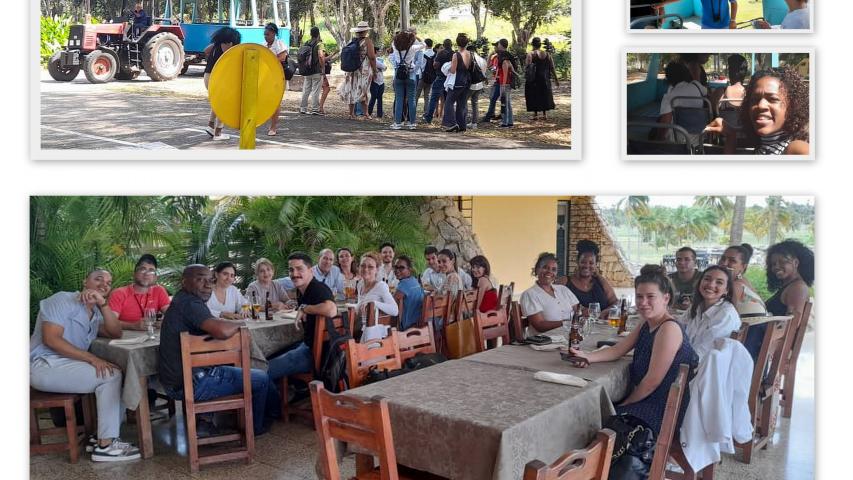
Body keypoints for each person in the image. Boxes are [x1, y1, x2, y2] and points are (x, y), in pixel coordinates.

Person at [568, 265, 699, 437]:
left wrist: (625, 404)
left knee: (593, 420)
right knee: (592, 413)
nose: (643, 303)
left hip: (661, 408)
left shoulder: (668, 329)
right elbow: (617, 350)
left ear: (666, 298)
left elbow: (652, 382)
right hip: (653, 398)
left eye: (650, 297)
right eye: (639, 297)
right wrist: (587, 357)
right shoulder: (648, 323)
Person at [30, 268, 141, 461]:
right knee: (110, 376)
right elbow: (51, 339)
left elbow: (115, 333)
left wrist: (104, 305)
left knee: (117, 370)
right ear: (84, 282)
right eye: (98, 279)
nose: (104, 285)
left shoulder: (95, 312)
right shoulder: (63, 300)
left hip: (66, 366)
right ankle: (106, 445)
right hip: (43, 365)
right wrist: (92, 359)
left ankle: (100, 438)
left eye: (108, 283)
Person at [158, 265, 278, 436]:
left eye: (210, 280)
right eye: (200, 279)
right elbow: (221, 330)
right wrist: (240, 323)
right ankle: (256, 428)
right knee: (261, 378)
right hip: (191, 383)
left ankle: (205, 420)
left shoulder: (181, 299)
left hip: (179, 380)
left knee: (226, 367)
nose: (208, 285)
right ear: (184, 282)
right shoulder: (191, 303)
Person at [266, 253, 338, 382]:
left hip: (318, 355)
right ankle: (293, 392)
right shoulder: (302, 289)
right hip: (310, 345)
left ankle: (275, 401)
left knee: (264, 371)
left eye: (299, 269)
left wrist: (305, 308)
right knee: (270, 355)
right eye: (291, 270)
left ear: (310, 270)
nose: (294, 274)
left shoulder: (317, 288)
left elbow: (332, 310)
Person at [706, 67, 810, 155]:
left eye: (773, 99)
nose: (760, 105)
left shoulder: (795, 149)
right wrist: (731, 135)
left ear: (792, 106)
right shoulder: (763, 147)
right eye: (755, 100)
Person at [745, 240, 814, 362]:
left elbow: (791, 324)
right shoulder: (789, 286)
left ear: (796, 263)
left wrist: (769, 345)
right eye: (773, 264)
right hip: (761, 344)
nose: (776, 267)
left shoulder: (798, 287)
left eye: (782, 262)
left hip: (766, 349)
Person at [680, 266, 740, 360]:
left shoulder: (725, 314)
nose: (711, 285)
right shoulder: (697, 306)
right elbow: (679, 329)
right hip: (687, 361)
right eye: (707, 279)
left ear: (726, 290)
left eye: (719, 282)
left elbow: (703, 352)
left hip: (702, 369)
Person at [520, 252, 580, 335]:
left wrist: (592, 313)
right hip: (544, 343)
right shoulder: (529, 294)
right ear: (537, 269)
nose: (549, 272)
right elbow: (539, 325)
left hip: (567, 337)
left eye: (554, 269)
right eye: (545, 267)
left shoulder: (563, 289)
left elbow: (579, 310)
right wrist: (567, 323)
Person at [108, 253, 170, 330]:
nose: (146, 274)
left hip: (152, 339)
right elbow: (110, 323)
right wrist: (133, 326)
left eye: (151, 271)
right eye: (142, 269)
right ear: (134, 274)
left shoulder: (159, 291)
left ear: (155, 277)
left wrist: (164, 322)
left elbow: (172, 315)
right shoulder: (119, 293)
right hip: (125, 340)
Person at [202, 27, 241, 140]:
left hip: (207, 76)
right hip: (217, 77)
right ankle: (218, 133)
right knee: (224, 105)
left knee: (218, 102)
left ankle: (210, 126)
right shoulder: (226, 46)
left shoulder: (215, 45)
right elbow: (228, 56)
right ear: (229, 41)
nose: (232, 45)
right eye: (232, 42)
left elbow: (205, 51)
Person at [656, 61, 707, 142]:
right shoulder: (697, 85)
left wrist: (658, 141)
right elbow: (708, 94)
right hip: (701, 137)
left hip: (680, 140)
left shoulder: (670, 97)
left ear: (668, 78)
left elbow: (665, 125)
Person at [339, 21, 377, 120]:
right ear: (365, 31)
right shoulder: (367, 41)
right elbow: (372, 57)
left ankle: (351, 113)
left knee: (351, 89)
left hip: (351, 70)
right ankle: (366, 114)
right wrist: (375, 70)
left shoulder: (352, 41)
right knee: (363, 90)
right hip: (363, 69)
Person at [567, 240, 618, 314]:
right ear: (577, 261)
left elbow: (615, 302)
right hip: (576, 325)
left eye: (591, 263)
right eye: (583, 262)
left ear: (595, 264)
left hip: (602, 324)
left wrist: (605, 312)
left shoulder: (600, 281)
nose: (587, 266)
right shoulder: (566, 281)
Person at [718, 244, 766, 315]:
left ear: (743, 267)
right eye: (723, 258)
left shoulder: (736, 285)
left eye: (732, 260)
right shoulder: (741, 280)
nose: (724, 263)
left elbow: (728, 315)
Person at [389, 31, 423, 130]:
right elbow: (424, 45)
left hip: (398, 74)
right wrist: (416, 38)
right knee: (411, 99)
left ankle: (398, 123)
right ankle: (412, 123)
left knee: (399, 98)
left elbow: (392, 58)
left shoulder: (395, 46)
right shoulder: (413, 48)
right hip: (411, 74)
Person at [356, 252, 399, 323]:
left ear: (377, 269)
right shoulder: (360, 284)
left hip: (372, 329)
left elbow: (395, 310)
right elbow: (360, 305)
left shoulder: (381, 286)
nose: (366, 269)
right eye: (363, 265)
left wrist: (374, 304)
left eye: (370, 267)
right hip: (359, 324)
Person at [443, 33, 473, 133]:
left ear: (457, 43)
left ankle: (452, 123)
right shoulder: (470, 53)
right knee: (462, 103)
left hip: (458, 80)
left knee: (449, 102)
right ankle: (462, 125)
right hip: (467, 80)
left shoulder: (456, 55)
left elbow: (453, 70)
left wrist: (447, 66)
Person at [524, 37, 558, 121]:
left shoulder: (530, 54)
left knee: (534, 95)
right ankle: (544, 114)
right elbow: (552, 67)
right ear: (540, 45)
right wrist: (556, 79)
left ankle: (535, 115)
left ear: (532, 45)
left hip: (534, 79)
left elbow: (527, 66)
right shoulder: (547, 54)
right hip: (545, 78)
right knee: (544, 95)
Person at [263, 23, 288, 135]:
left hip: (278, 77)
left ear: (273, 33)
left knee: (276, 102)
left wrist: (269, 60)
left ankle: (273, 127)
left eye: (267, 34)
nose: (265, 36)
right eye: (264, 34)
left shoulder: (280, 44)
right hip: (265, 77)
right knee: (266, 100)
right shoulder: (263, 45)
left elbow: (282, 57)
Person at [422, 39, 453, 124]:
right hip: (450, 78)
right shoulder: (454, 54)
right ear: (451, 45)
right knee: (448, 99)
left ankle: (428, 117)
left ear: (444, 45)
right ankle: (447, 119)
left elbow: (435, 65)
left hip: (440, 77)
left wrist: (438, 67)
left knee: (434, 98)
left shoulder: (441, 53)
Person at [299, 26, 325, 115]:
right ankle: (315, 109)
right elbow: (321, 56)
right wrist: (323, 68)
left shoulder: (307, 43)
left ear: (310, 34)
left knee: (306, 90)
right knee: (315, 90)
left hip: (307, 70)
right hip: (316, 70)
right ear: (318, 34)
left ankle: (303, 108)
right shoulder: (319, 44)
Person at [393, 255, 424, 330]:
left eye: (401, 268)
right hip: (418, 324)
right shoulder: (415, 281)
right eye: (396, 267)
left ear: (409, 270)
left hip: (406, 328)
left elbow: (392, 303)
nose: (397, 270)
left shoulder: (404, 284)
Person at [483, 39, 509, 124]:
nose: (495, 47)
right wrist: (490, 55)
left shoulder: (503, 57)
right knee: (493, 98)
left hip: (501, 81)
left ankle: (491, 115)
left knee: (497, 98)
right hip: (497, 80)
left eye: (496, 46)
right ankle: (493, 114)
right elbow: (488, 66)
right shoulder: (495, 57)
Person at [466, 45, 488, 129]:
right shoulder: (482, 59)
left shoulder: (470, 58)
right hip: (479, 85)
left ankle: (463, 120)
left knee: (463, 102)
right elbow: (484, 73)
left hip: (471, 84)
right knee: (475, 103)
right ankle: (474, 123)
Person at [416, 39, 436, 112]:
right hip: (431, 78)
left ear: (426, 45)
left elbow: (420, 65)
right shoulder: (435, 54)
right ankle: (426, 112)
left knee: (416, 95)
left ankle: (412, 112)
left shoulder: (423, 54)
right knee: (427, 96)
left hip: (422, 77)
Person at [369, 46, 387, 119]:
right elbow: (384, 67)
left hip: (380, 80)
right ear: (375, 51)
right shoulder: (375, 60)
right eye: (379, 51)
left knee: (378, 98)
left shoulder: (378, 60)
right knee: (374, 97)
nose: (380, 52)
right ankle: (370, 112)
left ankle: (379, 114)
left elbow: (384, 67)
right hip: (375, 81)